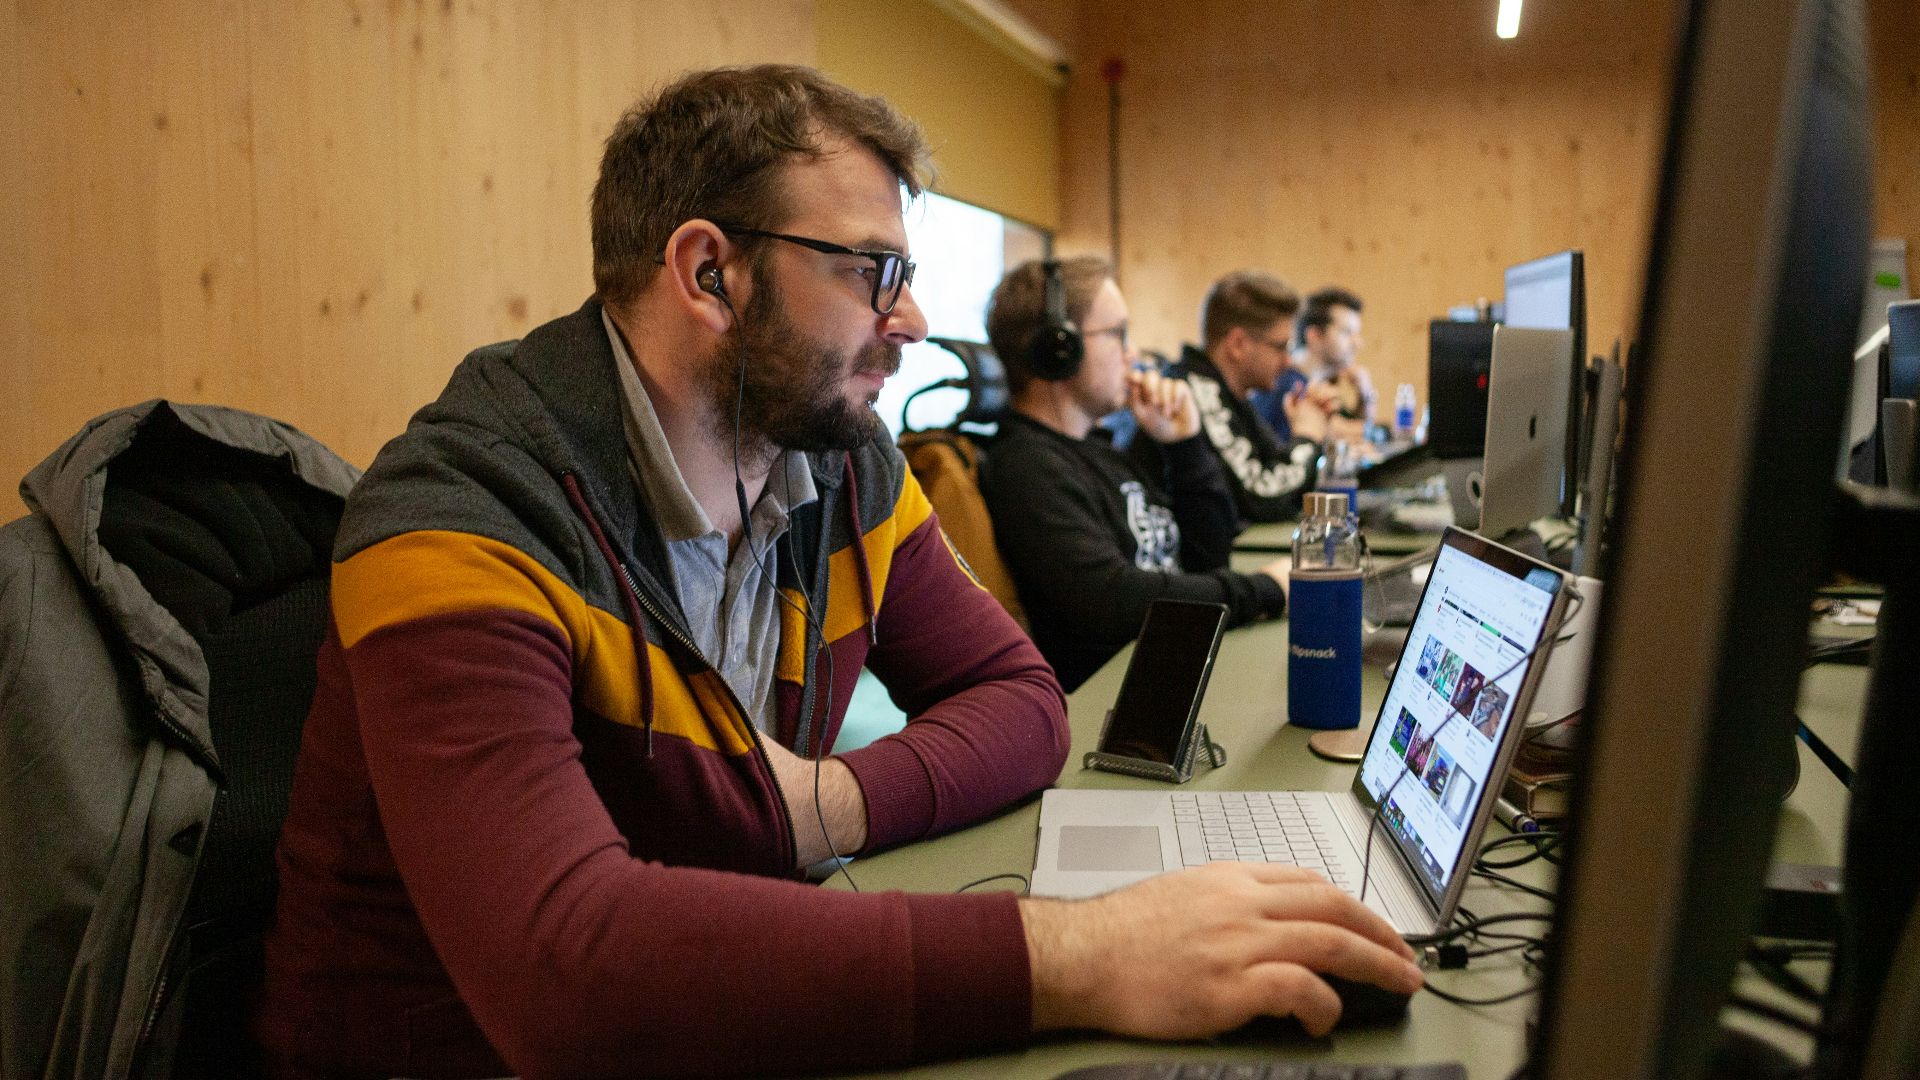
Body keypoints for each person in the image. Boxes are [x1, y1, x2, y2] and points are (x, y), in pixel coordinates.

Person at [261, 66, 1420, 1080]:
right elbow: (568, 973)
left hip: (717, 1010)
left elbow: (1022, 704)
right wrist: (1082, 953)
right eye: (873, 270)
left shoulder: (835, 459)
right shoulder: (462, 516)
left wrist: (823, 802)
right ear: (709, 273)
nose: (911, 321)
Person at [978, 257, 1290, 692]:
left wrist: (1185, 444)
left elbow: (1209, 558)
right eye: (1117, 335)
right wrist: (1265, 590)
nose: (1133, 354)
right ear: (1059, 349)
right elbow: (1113, 602)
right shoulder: (1026, 467)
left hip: (1169, 669)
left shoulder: (1103, 452)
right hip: (1118, 703)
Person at [1133, 269, 1330, 523]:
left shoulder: (1230, 394)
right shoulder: (1196, 391)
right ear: (1238, 344)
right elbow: (1260, 497)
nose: (1288, 361)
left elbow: (1272, 472)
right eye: (1280, 347)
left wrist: (1304, 430)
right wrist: (1307, 438)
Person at [1294, 286, 1376, 446]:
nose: (1358, 343)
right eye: (1346, 333)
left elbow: (1356, 429)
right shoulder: (1290, 383)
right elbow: (1354, 432)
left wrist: (1364, 397)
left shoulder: (1323, 381)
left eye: (1357, 334)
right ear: (1315, 335)